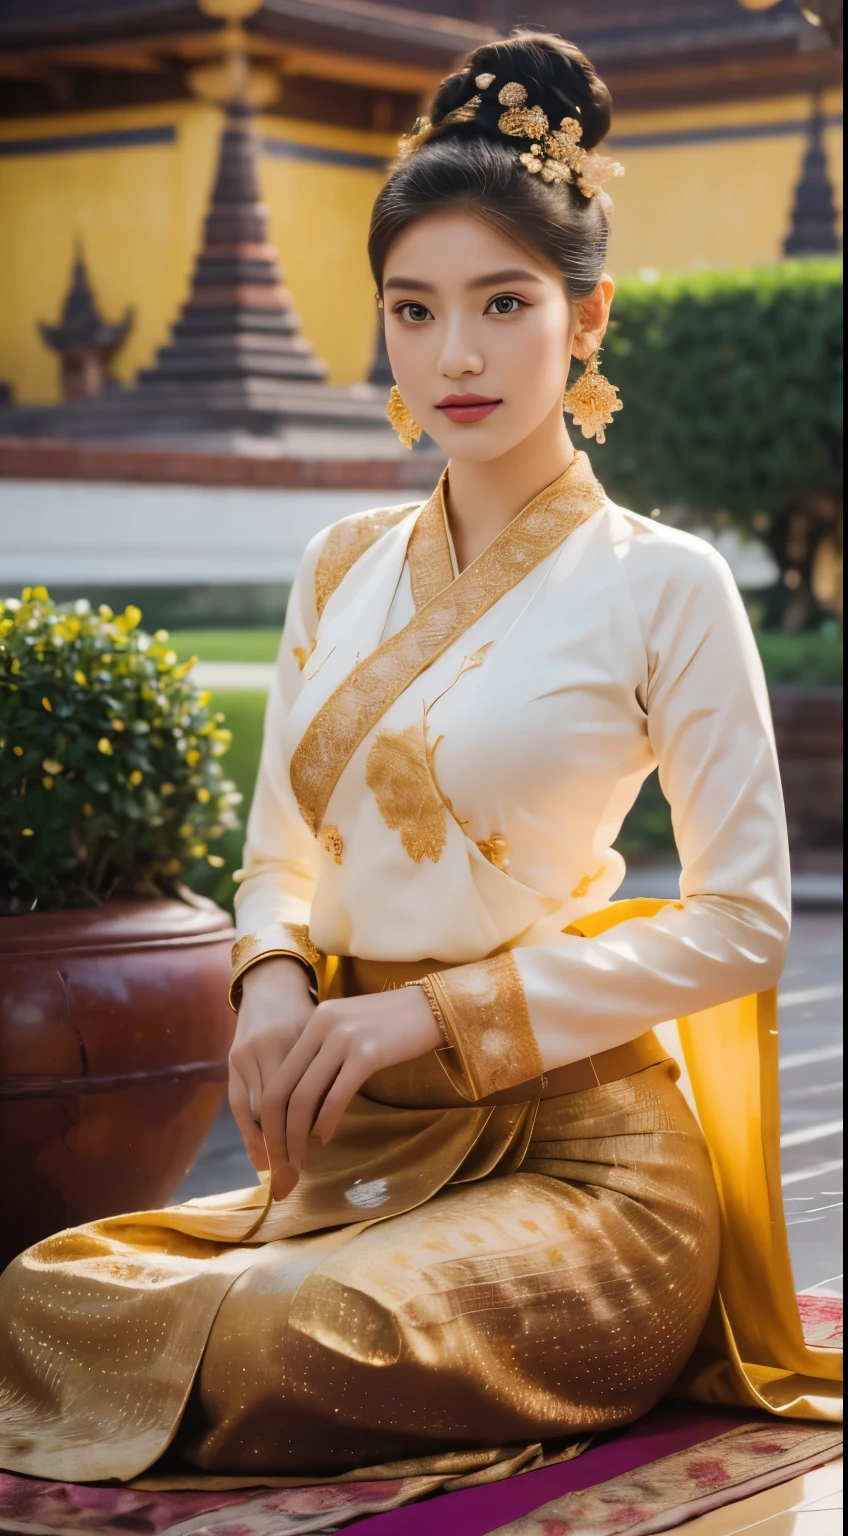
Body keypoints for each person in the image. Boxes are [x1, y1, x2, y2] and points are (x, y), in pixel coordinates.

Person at [0, 32, 839, 1490]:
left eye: (503, 304)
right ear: (382, 325)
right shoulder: (339, 566)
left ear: (586, 319)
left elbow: (747, 920)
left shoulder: (665, 582)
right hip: (351, 1150)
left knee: (280, 1335)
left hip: (584, 1161)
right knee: (39, 1291)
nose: (456, 354)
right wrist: (270, 980)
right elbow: (280, 856)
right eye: (415, 308)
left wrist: (424, 1019)